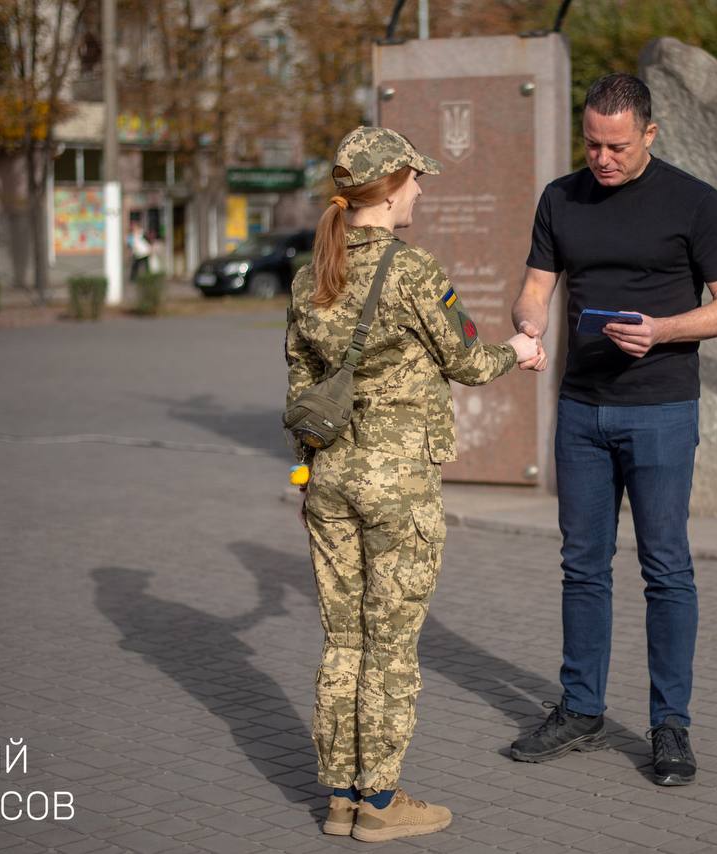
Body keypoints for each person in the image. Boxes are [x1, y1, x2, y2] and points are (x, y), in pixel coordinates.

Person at [285, 126, 538, 841]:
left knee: (343, 641)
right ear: (389, 188)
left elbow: (301, 384)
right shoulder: (413, 271)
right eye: (415, 180)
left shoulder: (311, 276)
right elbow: (464, 361)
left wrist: (309, 470)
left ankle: (339, 798)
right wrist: (518, 350)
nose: (421, 190)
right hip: (397, 486)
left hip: (329, 477)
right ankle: (383, 802)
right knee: (390, 643)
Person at [508, 73, 717, 786]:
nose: (602, 159)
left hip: (661, 409)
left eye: (617, 145)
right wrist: (527, 325)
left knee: (665, 569)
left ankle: (669, 726)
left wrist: (666, 330)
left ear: (649, 134)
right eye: (592, 144)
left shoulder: (695, 202)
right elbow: (535, 286)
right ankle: (581, 709)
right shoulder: (561, 197)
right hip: (581, 409)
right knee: (582, 565)